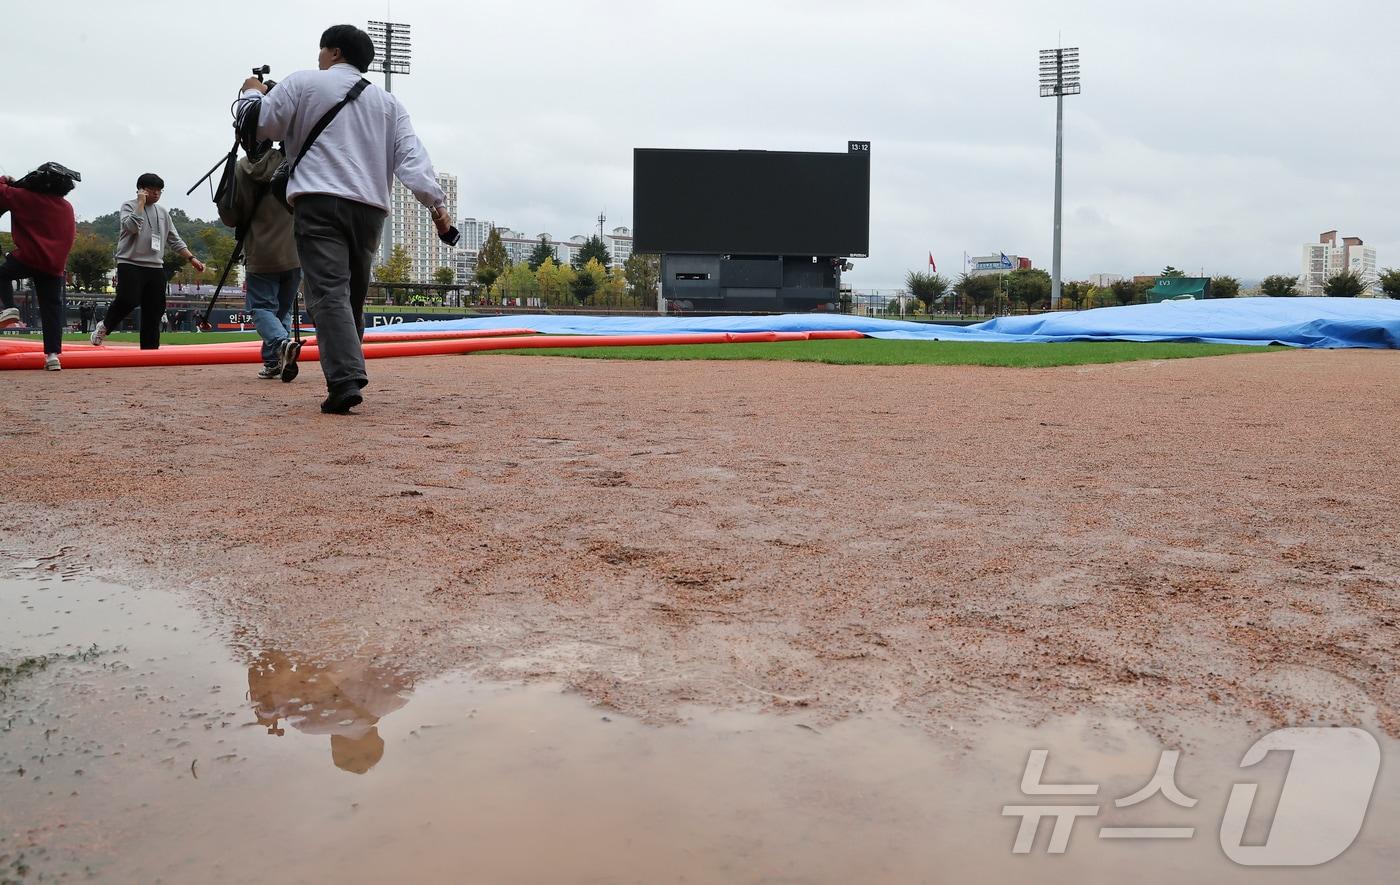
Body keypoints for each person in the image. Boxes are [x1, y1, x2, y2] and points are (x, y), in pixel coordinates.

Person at [238, 24, 454, 414]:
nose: (318, 59)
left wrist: (250, 92)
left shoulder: (303, 83)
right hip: (370, 210)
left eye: (322, 52)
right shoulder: (390, 104)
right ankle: (348, 372)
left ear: (334, 52)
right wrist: (437, 207)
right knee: (351, 297)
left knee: (328, 292)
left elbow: (257, 127)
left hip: (319, 201)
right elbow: (413, 161)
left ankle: (345, 379)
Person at [216, 141, 303, 381]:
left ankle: (279, 345)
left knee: (261, 307)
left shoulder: (241, 168)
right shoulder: (293, 160)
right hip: (294, 249)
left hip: (260, 249)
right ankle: (274, 360)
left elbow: (230, 216)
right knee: (281, 310)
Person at [90, 173, 206, 350]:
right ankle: (105, 326)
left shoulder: (163, 212)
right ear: (141, 190)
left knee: (155, 309)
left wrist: (191, 258)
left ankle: (150, 350)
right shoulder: (128, 206)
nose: (157, 194)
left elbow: (174, 239)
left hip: (155, 265)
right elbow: (131, 227)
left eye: (159, 191)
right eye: (152, 190)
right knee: (128, 299)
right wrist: (140, 204)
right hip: (130, 262)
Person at [0, 162, 79, 371]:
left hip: (28, 257)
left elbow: (2, 192)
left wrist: (6, 181)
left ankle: (9, 308)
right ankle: (52, 356)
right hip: (53, 264)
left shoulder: (25, 198)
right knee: (51, 309)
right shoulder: (66, 206)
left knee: (1, 274)